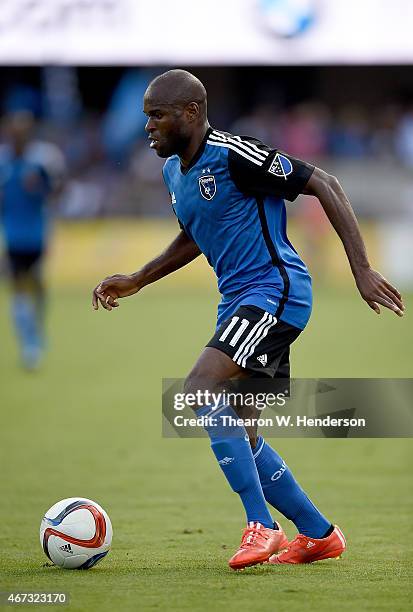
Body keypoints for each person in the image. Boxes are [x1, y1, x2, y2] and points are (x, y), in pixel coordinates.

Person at [92, 70, 405, 569]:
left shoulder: (236, 154)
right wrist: (137, 279)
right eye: (146, 116)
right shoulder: (175, 170)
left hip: (273, 293)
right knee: (243, 429)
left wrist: (361, 269)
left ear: (190, 113)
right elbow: (196, 235)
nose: (147, 126)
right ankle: (319, 534)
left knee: (198, 388)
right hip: (240, 300)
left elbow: (323, 182)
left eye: (156, 115)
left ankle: (261, 526)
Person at [0, 111, 65, 369]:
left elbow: (56, 191)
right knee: (18, 287)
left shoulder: (41, 161)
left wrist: (41, 188)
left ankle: (35, 331)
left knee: (37, 285)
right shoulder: (3, 163)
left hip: (37, 234)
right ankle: (29, 343)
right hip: (13, 236)